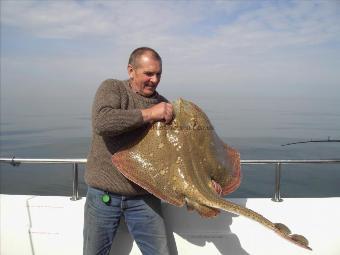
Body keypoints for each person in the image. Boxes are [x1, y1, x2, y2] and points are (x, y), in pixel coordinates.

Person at [83, 47, 173, 255]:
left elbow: (171, 155)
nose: (154, 79)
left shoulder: (164, 105)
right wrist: (150, 114)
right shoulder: (112, 88)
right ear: (131, 70)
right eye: (148, 73)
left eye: (158, 74)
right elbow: (103, 122)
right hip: (103, 196)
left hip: (145, 198)